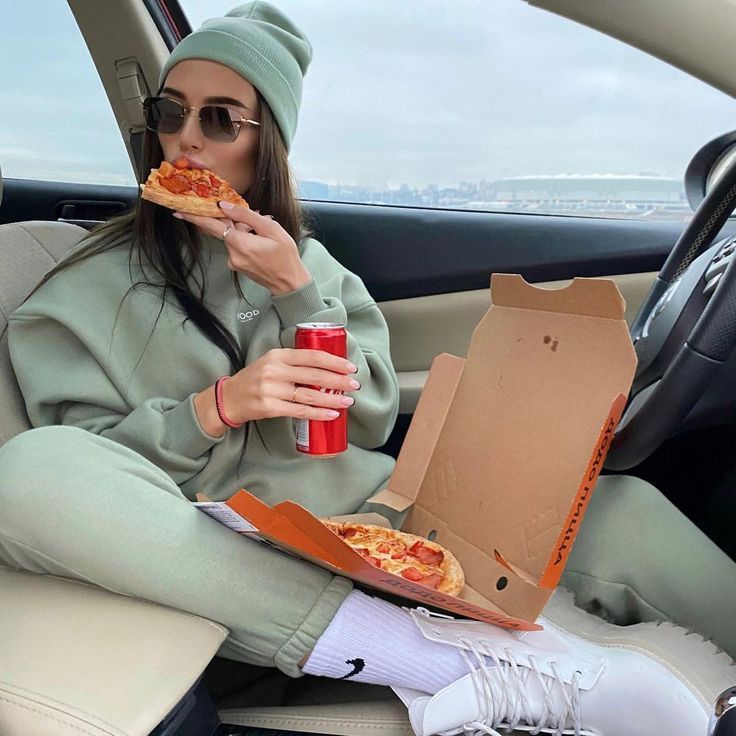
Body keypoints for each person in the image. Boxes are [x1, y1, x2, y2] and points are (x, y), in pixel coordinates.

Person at [0, 4, 735, 735]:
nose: (185, 140)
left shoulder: (307, 265)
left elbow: (370, 420)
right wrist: (218, 406)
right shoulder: (80, 293)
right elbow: (85, 477)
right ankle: (447, 664)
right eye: (170, 112)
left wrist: (295, 294)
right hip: (227, 556)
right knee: (25, 471)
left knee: (629, 511)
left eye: (220, 119)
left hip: (377, 528)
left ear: (268, 145)